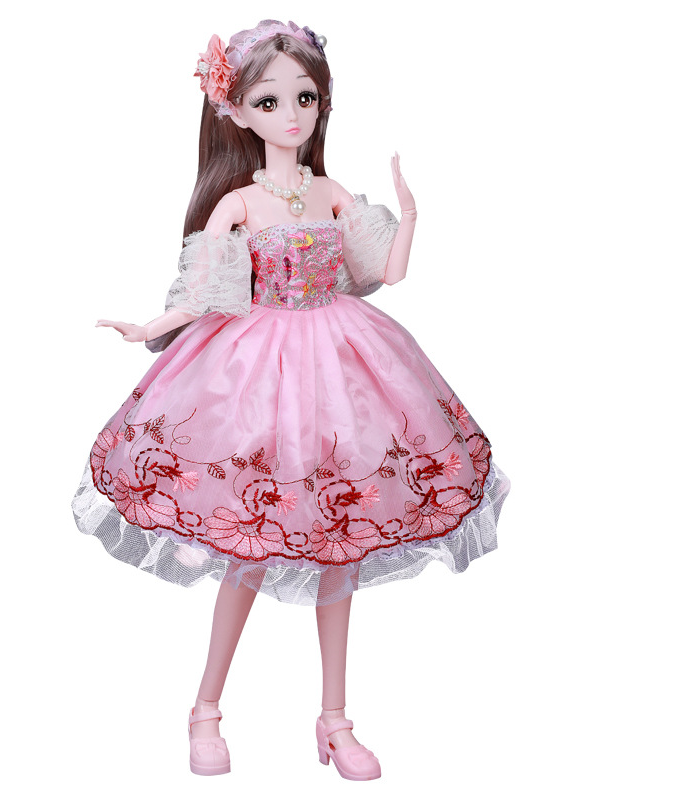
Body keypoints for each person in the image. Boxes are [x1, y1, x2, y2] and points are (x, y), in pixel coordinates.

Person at [72, 19, 510, 781]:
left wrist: (410, 216)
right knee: (250, 542)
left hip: (343, 369)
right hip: (257, 372)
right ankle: (205, 708)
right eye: (270, 101)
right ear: (238, 111)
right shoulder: (239, 203)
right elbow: (205, 292)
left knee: (341, 539)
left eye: (306, 97)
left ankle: (335, 720)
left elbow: (385, 274)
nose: (293, 114)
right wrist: (149, 326)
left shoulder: (331, 194)